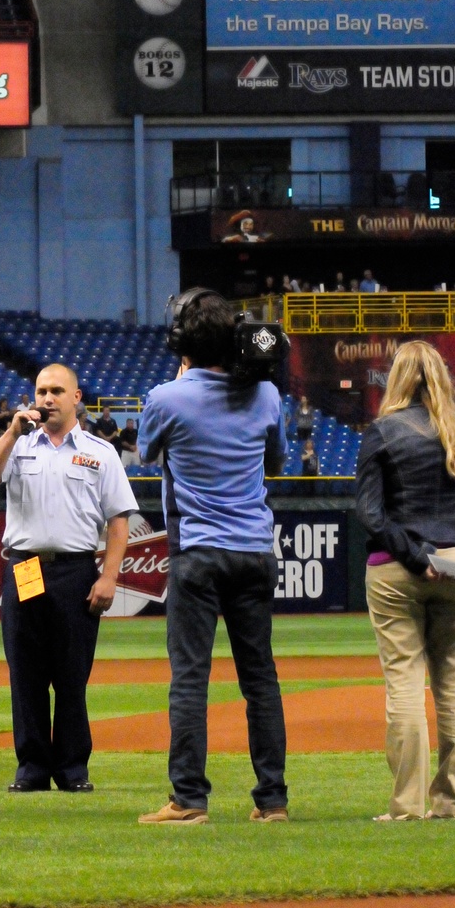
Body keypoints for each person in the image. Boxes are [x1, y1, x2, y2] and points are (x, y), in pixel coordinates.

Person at [136, 289, 289, 824]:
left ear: (182, 344)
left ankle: (189, 799)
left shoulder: (165, 398)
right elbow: (277, 459)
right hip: (253, 548)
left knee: (190, 678)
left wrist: (182, 384)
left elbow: (148, 452)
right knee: (260, 678)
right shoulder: (267, 393)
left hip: (197, 550)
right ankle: (272, 801)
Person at [0, 363, 135, 793]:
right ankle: (31, 768)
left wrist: (109, 577)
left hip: (75, 568)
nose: (47, 399)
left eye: (57, 391)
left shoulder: (100, 452)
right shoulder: (19, 445)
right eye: (41, 391)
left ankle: (72, 768)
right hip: (26, 565)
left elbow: (119, 521)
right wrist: (10, 434)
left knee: (71, 672)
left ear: (76, 398)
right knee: (25, 669)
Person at [356, 342, 455, 821]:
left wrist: (418, 558)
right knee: (454, 685)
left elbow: (370, 515)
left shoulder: (382, 432)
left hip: (397, 569)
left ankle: (407, 806)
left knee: (404, 684)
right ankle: (451, 802)